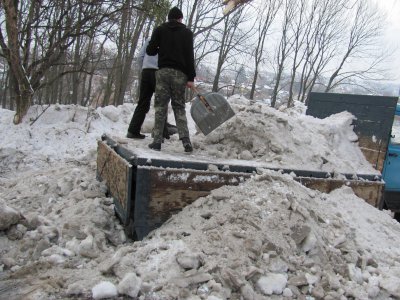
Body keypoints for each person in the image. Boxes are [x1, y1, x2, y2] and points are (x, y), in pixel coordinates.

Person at [146, 6, 196, 152]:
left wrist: (160, 49)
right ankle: (186, 141)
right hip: (180, 75)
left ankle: (156, 141)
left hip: (163, 73)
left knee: (160, 106)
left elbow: (150, 50)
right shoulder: (187, 33)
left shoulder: (160, 30)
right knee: (179, 106)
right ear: (180, 19)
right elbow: (189, 56)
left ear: (168, 18)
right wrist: (190, 77)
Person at [127, 39, 176, 139]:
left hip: (146, 72)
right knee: (161, 104)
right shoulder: (168, 41)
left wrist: (144, 68)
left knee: (142, 102)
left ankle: (133, 131)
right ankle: (161, 132)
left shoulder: (150, 40)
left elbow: (140, 57)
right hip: (160, 73)